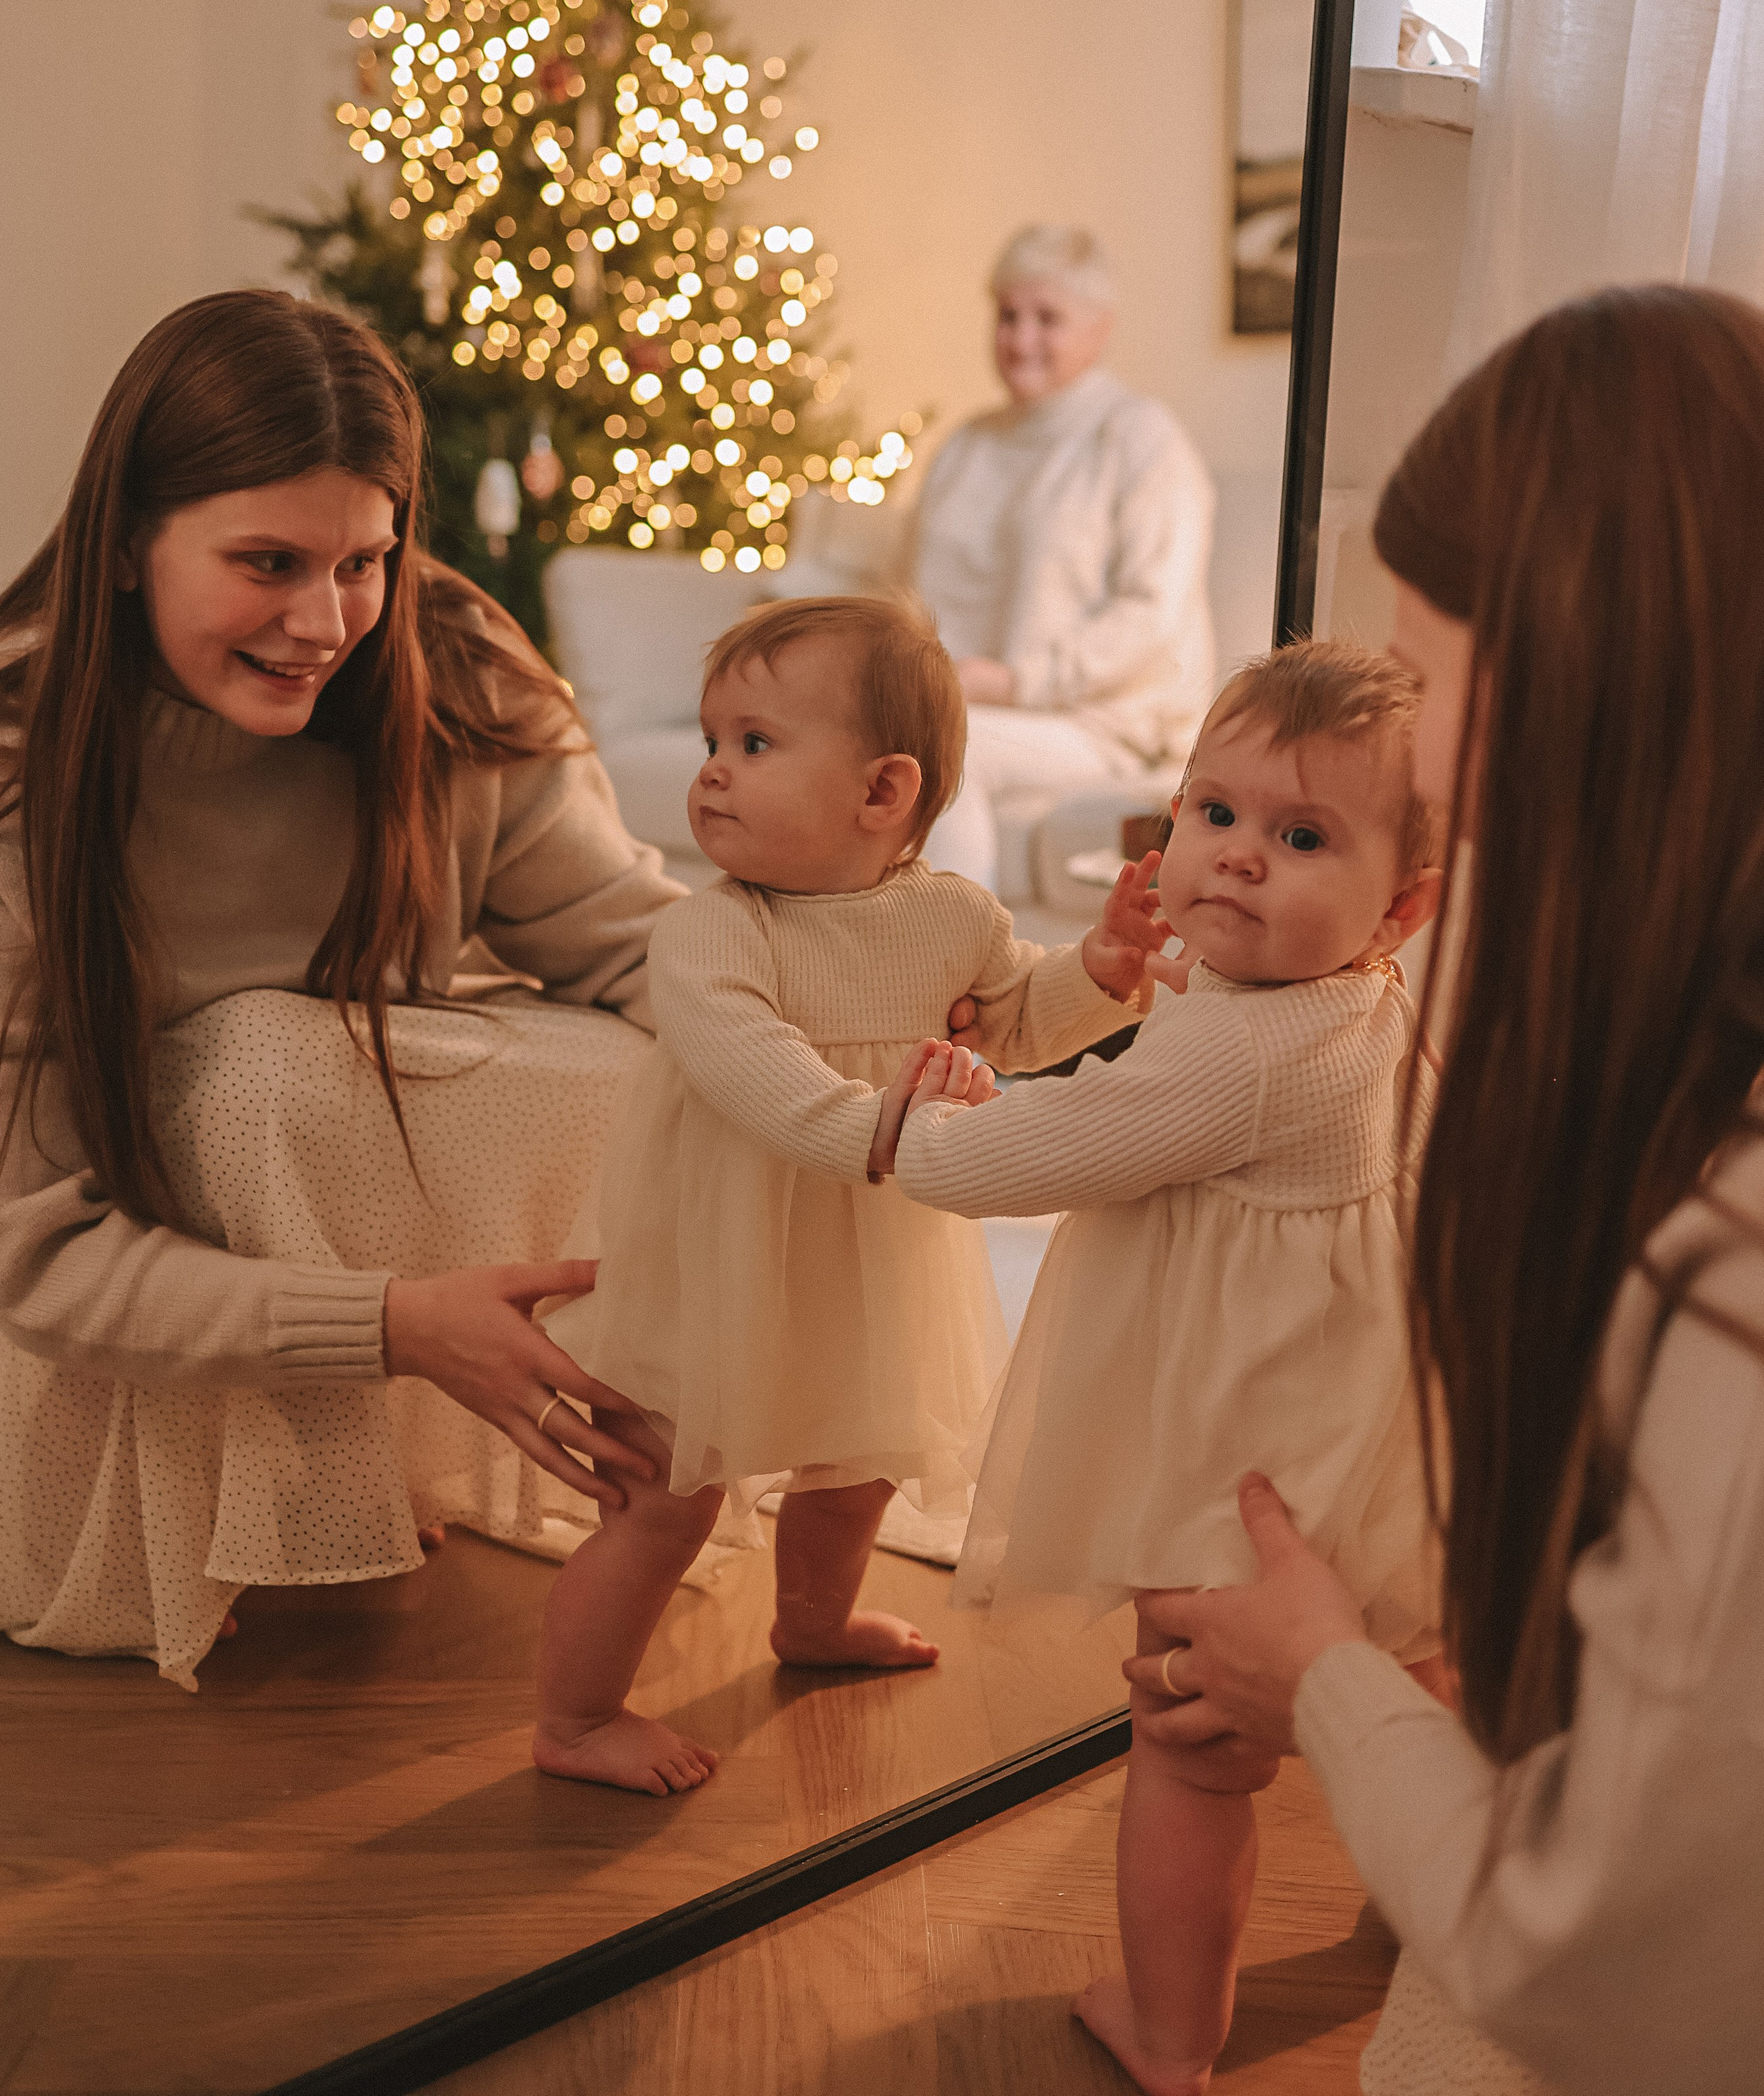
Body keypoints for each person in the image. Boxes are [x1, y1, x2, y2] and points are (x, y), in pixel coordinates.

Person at [1129, 286, 1764, 2096]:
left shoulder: (1733, 1294)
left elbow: (1583, 1963)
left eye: (1436, 694)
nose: (1421, 782)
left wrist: (1323, 1678)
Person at [0, 291, 682, 1690]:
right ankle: (203, 1499)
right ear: (126, 544)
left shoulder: (454, 675)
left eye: (364, 560)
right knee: (256, 1060)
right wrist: (392, 1328)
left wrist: (867, 1051)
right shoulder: (16, 777)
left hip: (337, 1253)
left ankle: (385, 1475)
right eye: (267, 561)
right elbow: (33, 1252)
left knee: (664, 1061)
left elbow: (637, 950)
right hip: (74, 1307)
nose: (326, 622)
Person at [886, 640, 1446, 2094]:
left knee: (1192, 1736)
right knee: (1416, 1663)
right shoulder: (1361, 998)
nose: (1237, 861)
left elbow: (1037, 1151)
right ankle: (1442, 1902)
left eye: (1299, 836)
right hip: (1367, 1415)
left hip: (1235, 1442)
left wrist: (918, 1129)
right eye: (1213, 813)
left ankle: (1168, 2034)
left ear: (1400, 904)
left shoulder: (1236, 1058)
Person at [535, 595, 1163, 1793]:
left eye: (754, 745)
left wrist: (1103, 970)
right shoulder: (711, 934)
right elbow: (760, 1081)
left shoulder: (954, 916)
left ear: (884, 793)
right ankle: (574, 1718)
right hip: (717, 1256)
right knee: (665, 1491)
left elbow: (1015, 1019)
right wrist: (896, 1126)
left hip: (867, 1250)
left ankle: (814, 1624)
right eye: (713, 742)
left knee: (861, 1454)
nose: (712, 774)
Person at [907, 226, 1215, 891]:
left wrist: (1012, 683)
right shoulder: (967, 445)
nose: (1021, 341)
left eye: (1048, 319)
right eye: (1008, 315)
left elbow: (1150, 615)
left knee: (943, 752)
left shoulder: (1140, 438)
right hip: (959, 702)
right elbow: (910, 594)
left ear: (1100, 329)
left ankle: (963, 969)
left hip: (1102, 722)